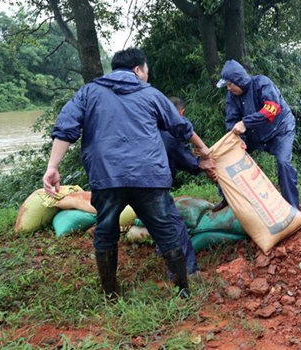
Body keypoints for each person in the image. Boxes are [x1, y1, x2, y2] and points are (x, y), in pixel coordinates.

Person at [42, 47, 212, 299]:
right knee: (166, 230)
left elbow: (66, 127)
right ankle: (182, 290)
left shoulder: (88, 92)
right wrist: (203, 149)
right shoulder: (151, 94)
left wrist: (52, 167)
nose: (147, 76)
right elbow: (180, 127)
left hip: (107, 176)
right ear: (137, 70)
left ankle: (111, 294)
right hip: (149, 176)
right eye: (146, 71)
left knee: (106, 231)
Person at [216, 60, 300, 209]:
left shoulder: (262, 83)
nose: (228, 88)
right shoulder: (231, 97)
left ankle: (292, 209)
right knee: (227, 157)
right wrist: (239, 139)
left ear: (238, 80)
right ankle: (227, 200)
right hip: (255, 135)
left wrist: (245, 123)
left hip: (280, 130)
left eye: (230, 84)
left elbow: (272, 109)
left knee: (283, 163)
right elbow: (232, 121)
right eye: (226, 86)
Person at [158, 96, 218, 276]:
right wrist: (200, 163)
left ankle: (162, 250)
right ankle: (186, 272)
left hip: (121, 179)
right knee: (174, 225)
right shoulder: (168, 130)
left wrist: (196, 162)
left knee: (156, 219)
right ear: (181, 113)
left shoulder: (151, 122)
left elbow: (177, 155)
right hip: (151, 184)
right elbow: (175, 150)